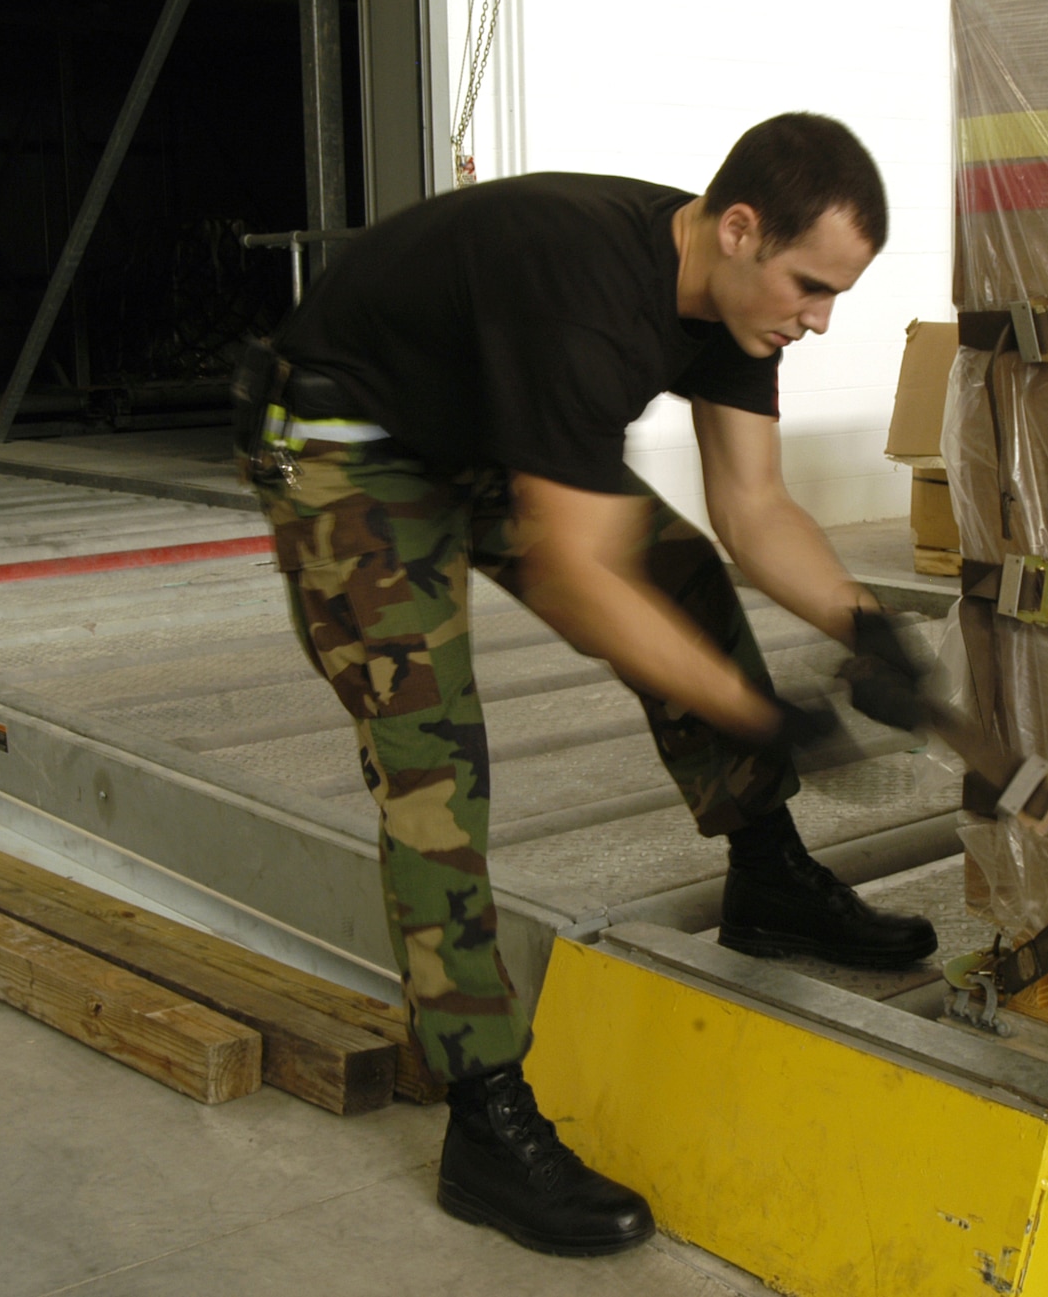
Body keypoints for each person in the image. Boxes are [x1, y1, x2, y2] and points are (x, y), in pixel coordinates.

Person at [232, 112, 933, 1258]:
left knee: (686, 573)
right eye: (812, 286)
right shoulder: (583, 288)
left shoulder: (729, 302)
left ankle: (767, 873)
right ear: (742, 229)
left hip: (471, 432)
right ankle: (481, 1116)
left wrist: (868, 628)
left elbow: (752, 510)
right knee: (430, 754)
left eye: (837, 294)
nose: (820, 319)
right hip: (346, 443)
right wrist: (761, 712)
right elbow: (578, 576)